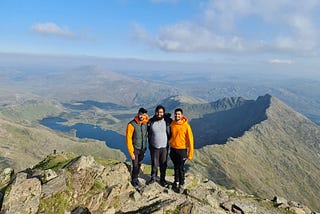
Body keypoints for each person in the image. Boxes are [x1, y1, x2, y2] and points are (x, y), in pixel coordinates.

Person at [169, 108, 194, 193]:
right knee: (176, 166)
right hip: (173, 149)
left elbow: (190, 140)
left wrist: (190, 153)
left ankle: (181, 183)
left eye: (179, 114)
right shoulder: (172, 124)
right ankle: (175, 181)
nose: (177, 115)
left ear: (182, 115)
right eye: (176, 114)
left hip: (182, 149)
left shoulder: (186, 126)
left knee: (181, 168)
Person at [147, 105, 172, 187]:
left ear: (163, 113)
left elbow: (177, 124)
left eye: (161, 112)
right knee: (154, 163)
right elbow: (146, 131)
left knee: (163, 164)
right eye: (157, 112)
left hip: (164, 147)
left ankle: (162, 179)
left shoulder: (167, 121)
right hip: (154, 147)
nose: (159, 114)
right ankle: (153, 177)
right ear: (155, 112)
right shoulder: (151, 122)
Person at [126, 107, 149, 188]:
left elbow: (146, 136)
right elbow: (128, 139)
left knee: (139, 164)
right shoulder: (131, 124)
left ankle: (136, 179)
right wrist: (131, 152)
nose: (142, 116)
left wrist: (145, 149)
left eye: (143, 115)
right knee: (135, 165)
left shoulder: (145, 123)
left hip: (142, 149)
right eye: (140, 114)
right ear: (138, 114)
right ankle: (133, 180)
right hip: (135, 149)